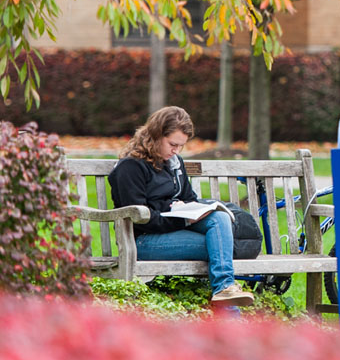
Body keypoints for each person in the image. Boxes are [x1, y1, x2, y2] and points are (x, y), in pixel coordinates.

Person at [109, 106, 255, 308]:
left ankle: (224, 289)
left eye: (181, 146)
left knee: (219, 220)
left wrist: (191, 209)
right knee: (219, 246)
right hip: (142, 242)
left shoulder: (174, 163)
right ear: (155, 135)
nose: (176, 151)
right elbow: (140, 217)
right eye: (172, 144)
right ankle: (230, 314)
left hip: (173, 230)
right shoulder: (130, 167)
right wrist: (181, 217)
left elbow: (188, 198)